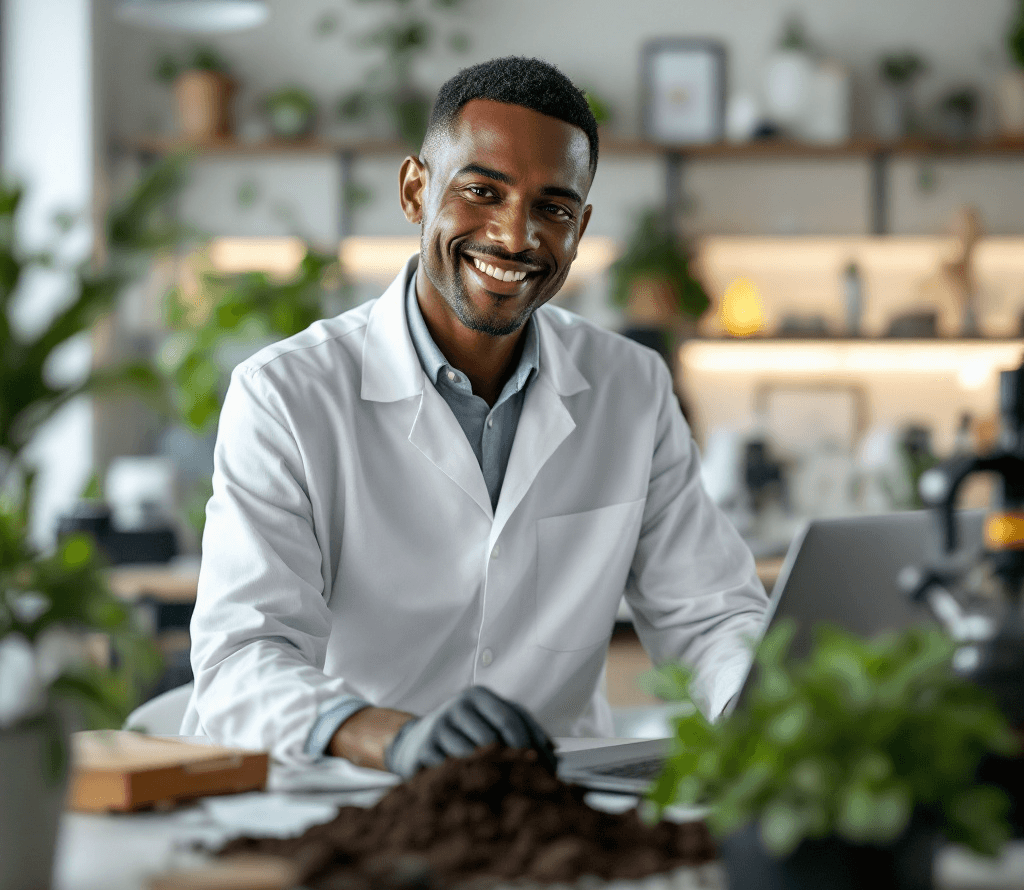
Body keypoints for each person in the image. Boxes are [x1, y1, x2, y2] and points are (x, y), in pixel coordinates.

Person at [182, 57, 768, 776]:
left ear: (580, 228)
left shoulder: (631, 387)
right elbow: (242, 657)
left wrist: (767, 711)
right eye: (483, 191)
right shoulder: (285, 395)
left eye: (553, 208)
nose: (516, 236)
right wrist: (392, 737)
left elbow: (709, 616)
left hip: (556, 802)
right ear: (414, 191)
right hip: (355, 795)